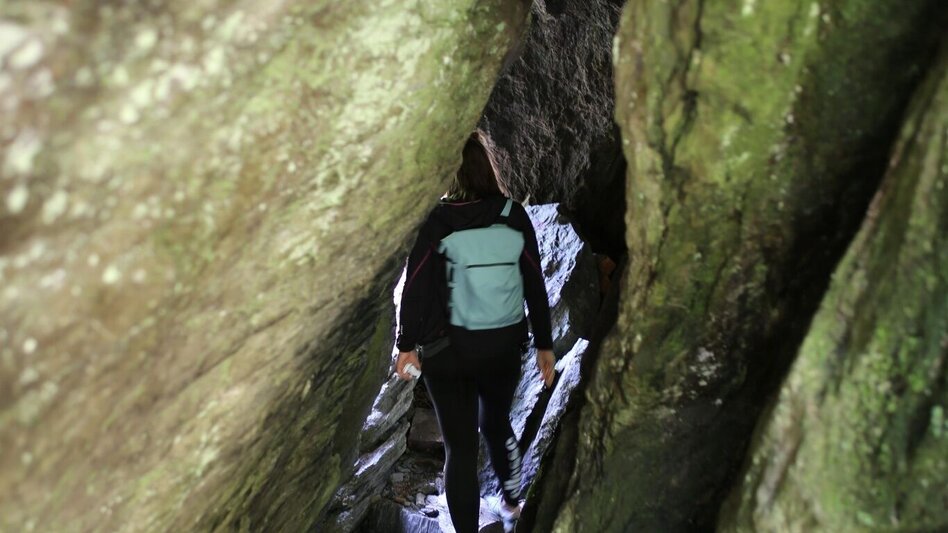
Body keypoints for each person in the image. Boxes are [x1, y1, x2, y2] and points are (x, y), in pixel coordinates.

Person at [393, 130, 556, 533]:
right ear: (489, 169)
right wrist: (545, 345)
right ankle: (513, 502)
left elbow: (413, 286)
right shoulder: (512, 214)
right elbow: (534, 281)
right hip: (501, 345)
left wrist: (406, 345)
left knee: (460, 449)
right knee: (497, 423)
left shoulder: (437, 221)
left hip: (447, 352)